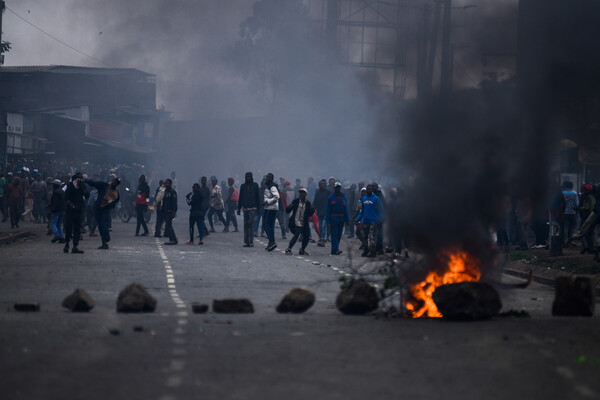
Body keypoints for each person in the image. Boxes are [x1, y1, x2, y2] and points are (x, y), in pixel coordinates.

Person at [86, 177, 121, 249]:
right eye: (115, 182)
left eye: (117, 183)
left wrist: (110, 205)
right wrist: (85, 180)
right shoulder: (104, 185)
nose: (115, 184)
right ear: (113, 181)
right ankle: (104, 241)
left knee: (103, 224)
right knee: (100, 225)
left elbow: (116, 200)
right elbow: (94, 183)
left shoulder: (116, 192)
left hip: (105, 209)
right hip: (98, 208)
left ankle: (105, 240)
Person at [356, 184, 384, 257]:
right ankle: (366, 249)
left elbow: (381, 210)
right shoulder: (363, 199)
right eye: (367, 189)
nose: (368, 190)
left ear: (372, 190)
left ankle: (373, 252)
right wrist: (357, 219)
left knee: (371, 237)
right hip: (365, 220)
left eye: (370, 189)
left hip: (373, 221)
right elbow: (361, 211)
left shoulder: (376, 199)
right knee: (364, 236)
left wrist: (381, 219)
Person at [63, 173, 88, 254]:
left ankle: (75, 246)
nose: (79, 180)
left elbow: (87, 195)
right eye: (78, 179)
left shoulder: (82, 186)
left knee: (77, 229)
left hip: (79, 211)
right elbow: (66, 198)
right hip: (70, 211)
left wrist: (82, 187)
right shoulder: (70, 186)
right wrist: (71, 205)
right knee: (68, 228)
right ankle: (67, 244)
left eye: (80, 179)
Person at [285, 188, 315, 255]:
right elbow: (288, 210)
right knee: (296, 235)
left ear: (305, 194)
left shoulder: (308, 203)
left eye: (303, 193)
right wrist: (289, 207)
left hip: (304, 223)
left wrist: (312, 210)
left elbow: (309, 214)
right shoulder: (295, 201)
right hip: (296, 222)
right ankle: (289, 249)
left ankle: (302, 249)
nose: (301, 194)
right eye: (300, 193)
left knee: (306, 236)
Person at [237, 172, 261, 247]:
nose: (248, 178)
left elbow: (257, 197)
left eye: (249, 176)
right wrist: (238, 208)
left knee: (251, 224)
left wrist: (259, 208)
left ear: (252, 177)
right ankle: (246, 241)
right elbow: (240, 197)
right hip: (245, 208)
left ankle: (251, 241)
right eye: (247, 176)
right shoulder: (243, 186)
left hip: (253, 208)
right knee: (246, 225)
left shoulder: (255, 185)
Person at [326, 181, 349, 255]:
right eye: (336, 187)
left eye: (339, 187)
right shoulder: (331, 198)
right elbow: (328, 210)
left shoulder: (343, 197)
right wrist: (328, 220)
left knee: (339, 234)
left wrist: (347, 219)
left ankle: (336, 248)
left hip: (341, 218)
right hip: (334, 218)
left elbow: (346, 209)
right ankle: (334, 249)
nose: (338, 189)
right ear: (334, 188)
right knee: (334, 235)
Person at [263, 173, 280, 251]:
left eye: (269, 177)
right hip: (270, 207)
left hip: (271, 208)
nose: (267, 178)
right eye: (267, 177)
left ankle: (272, 241)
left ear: (272, 178)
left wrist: (267, 202)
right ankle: (270, 242)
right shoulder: (268, 185)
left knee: (266, 225)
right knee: (270, 225)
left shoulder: (272, 186)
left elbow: (276, 197)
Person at [313, 179, 330, 246]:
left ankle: (323, 238)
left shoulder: (328, 192)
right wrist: (313, 208)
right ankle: (321, 237)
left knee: (323, 226)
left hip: (326, 211)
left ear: (325, 185)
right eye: (320, 184)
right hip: (319, 212)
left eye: (322, 184)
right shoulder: (317, 193)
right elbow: (315, 202)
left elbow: (330, 202)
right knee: (319, 226)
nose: (321, 185)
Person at [561, 181, 579, 245]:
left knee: (565, 227)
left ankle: (565, 241)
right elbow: (577, 204)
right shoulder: (574, 193)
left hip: (564, 212)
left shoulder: (562, 193)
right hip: (573, 212)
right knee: (573, 227)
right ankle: (572, 241)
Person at [162, 178, 178, 245]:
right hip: (165, 211)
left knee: (168, 225)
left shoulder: (172, 192)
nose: (166, 184)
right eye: (165, 183)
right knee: (168, 225)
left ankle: (173, 239)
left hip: (170, 211)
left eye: (168, 183)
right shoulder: (165, 191)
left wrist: (174, 211)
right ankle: (172, 239)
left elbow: (174, 202)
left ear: (170, 184)